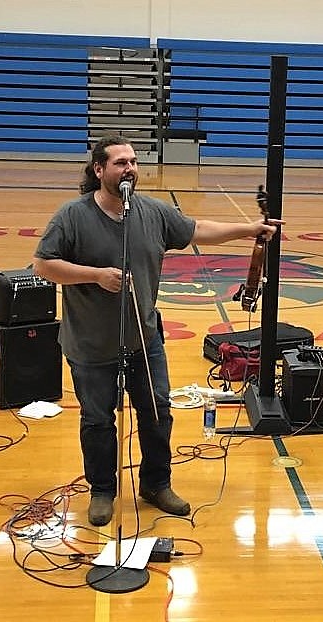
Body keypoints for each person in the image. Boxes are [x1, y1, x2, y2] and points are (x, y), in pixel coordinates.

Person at [33, 135, 281, 526]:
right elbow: (43, 266)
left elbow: (198, 229)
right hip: (91, 344)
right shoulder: (73, 216)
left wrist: (248, 229)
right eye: (120, 162)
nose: (130, 168)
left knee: (157, 413)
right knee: (98, 421)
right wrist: (95, 276)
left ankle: (156, 483)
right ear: (99, 170)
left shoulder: (152, 212)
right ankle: (102, 490)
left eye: (133, 161)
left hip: (143, 340)